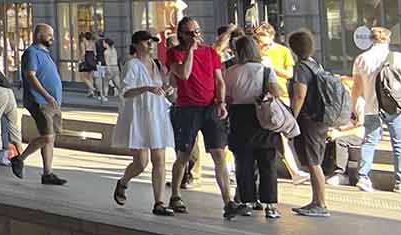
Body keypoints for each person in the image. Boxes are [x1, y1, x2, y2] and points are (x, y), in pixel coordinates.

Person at [164, 16, 235, 216]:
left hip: (210, 106)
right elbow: (183, 74)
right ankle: (175, 195)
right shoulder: (174, 53)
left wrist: (221, 102)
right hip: (187, 108)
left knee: (219, 153)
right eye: (190, 33)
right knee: (184, 154)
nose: (195, 35)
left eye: (197, 31)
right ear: (181, 35)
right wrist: (191, 52)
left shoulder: (211, 52)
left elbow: (219, 79)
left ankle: (228, 201)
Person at [110, 31, 174, 214]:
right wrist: (146, 88)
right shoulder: (132, 65)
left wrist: (165, 89)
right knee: (141, 162)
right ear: (137, 45)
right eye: (147, 42)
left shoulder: (156, 64)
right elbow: (126, 92)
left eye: (152, 42)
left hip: (156, 113)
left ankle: (159, 202)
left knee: (159, 159)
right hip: (138, 115)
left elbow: (160, 87)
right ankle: (123, 182)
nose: (150, 45)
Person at [223, 35, 283, 219]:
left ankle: (246, 201)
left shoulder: (230, 71)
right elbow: (277, 92)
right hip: (262, 117)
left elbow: (227, 98)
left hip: (239, 118)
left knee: (243, 162)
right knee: (267, 163)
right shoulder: (265, 70)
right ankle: (270, 205)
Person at [351, 26, 401, 194]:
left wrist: (353, 106)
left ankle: (363, 177)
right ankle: (400, 182)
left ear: (370, 40)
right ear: (388, 39)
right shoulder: (398, 58)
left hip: (371, 107)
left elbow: (356, 87)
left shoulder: (361, 59)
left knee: (369, 141)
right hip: (394, 107)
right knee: (399, 143)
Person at [285, 29, 333, 217]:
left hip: (309, 120)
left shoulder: (301, 68)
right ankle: (316, 201)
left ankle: (320, 203)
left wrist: (291, 119)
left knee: (313, 162)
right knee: (314, 161)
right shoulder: (315, 65)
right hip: (320, 119)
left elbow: (299, 95)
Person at [10, 23, 66, 184]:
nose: (52, 38)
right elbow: (30, 76)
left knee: (49, 138)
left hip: (51, 102)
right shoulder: (32, 53)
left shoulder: (45, 53)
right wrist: (46, 96)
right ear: (39, 34)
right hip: (40, 101)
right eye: (49, 35)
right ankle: (19, 159)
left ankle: (47, 173)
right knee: (48, 137)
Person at [252, 23, 303, 184]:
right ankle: (293, 172)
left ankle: (294, 172)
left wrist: (271, 67)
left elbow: (289, 73)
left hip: (280, 96)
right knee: (275, 137)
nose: (263, 47)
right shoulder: (253, 52)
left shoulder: (283, 51)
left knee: (281, 135)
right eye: (259, 43)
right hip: (261, 98)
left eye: (266, 44)